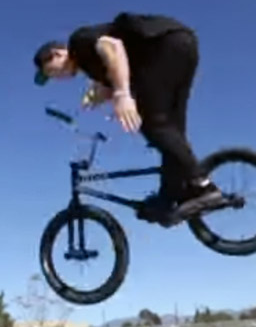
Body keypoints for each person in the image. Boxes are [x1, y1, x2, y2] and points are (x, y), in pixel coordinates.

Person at [32, 12, 226, 226]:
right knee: (170, 134)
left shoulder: (78, 42)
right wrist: (104, 93)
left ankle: (204, 187)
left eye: (52, 72)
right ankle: (171, 195)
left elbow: (114, 48)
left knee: (154, 125)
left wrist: (122, 95)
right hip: (181, 47)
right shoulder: (91, 67)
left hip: (163, 45)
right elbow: (119, 72)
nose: (57, 79)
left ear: (58, 53)